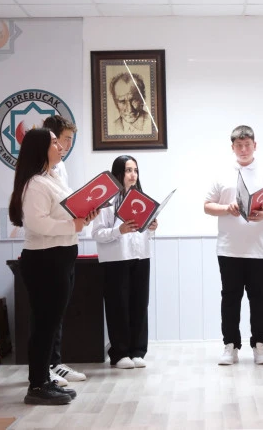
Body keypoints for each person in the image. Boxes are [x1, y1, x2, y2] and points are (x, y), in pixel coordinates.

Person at [8, 128, 97, 405]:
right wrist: (73, 225)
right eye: (55, 143)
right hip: (45, 259)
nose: (60, 147)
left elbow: (66, 214)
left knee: (51, 322)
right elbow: (37, 223)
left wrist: (85, 217)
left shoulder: (53, 178)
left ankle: (44, 381)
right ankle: (37, 385)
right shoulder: (35, 183)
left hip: (62, 255)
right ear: (40, 149)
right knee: (45, 324)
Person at [204, 125, 263, 366]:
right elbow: (207, 206)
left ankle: (260, 345)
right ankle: (230, 345)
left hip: (260, 248)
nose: (243, 149)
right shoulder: (221, 174)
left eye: (247, 144)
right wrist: (226, 208)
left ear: (254, 145)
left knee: (259, 297)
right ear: (232, 147)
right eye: (238, 145)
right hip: (229, 247)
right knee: (230, 297)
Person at [92, 155, 157, 369]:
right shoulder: (107, 201)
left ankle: (138, 351)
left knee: (140, 304)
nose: (133, 175)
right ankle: (120, 354)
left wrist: (151, 227)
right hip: (116, 259)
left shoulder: (141, 199)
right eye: (128, 170)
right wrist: (118, 230)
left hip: (140, 256)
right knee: (118, 306)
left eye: (135, 170)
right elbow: (97, 233)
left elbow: (144, 232)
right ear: (118, 173)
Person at [41, 114, 85, 386]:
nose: (66, 146)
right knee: (47, 313)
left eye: (68, 140)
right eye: (63, 140)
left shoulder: (61, 167)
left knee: (58, 310)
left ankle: (54, 362)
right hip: (49, 247)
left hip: (67, 243)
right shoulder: (38, 173)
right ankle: (45, 367)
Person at [108, 72, 153, 136]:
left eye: (134, 100)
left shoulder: (152, 123)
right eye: (122, 101)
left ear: (143, 98)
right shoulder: (111, 127)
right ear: (115, 103)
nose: (129, 109)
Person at [43, 115, 77, 187]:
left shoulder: (60, 165)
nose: (70, 145)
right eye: (67, 139)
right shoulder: (34, 169)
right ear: (52, 137)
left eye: (71, 140)